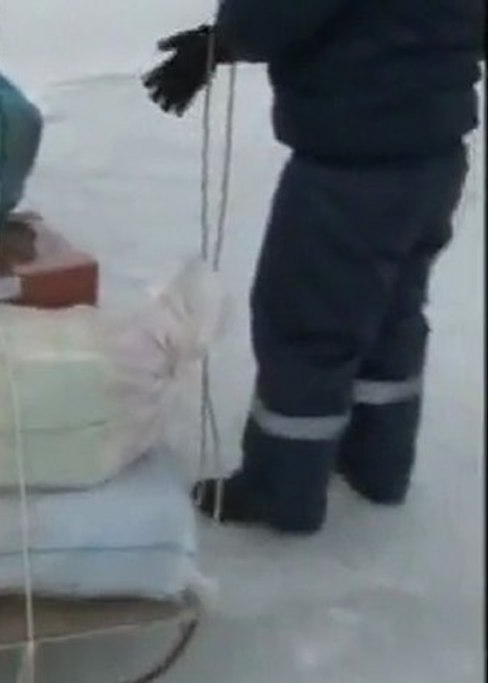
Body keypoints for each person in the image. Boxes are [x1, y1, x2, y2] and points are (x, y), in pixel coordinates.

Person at [143, 0, 483, 534]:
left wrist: (223, 41)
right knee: (392, 311)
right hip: (435, 155)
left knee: (308, 324)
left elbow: (272, 17)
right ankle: (379, 465)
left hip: (351, 163)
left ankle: (282, 488)